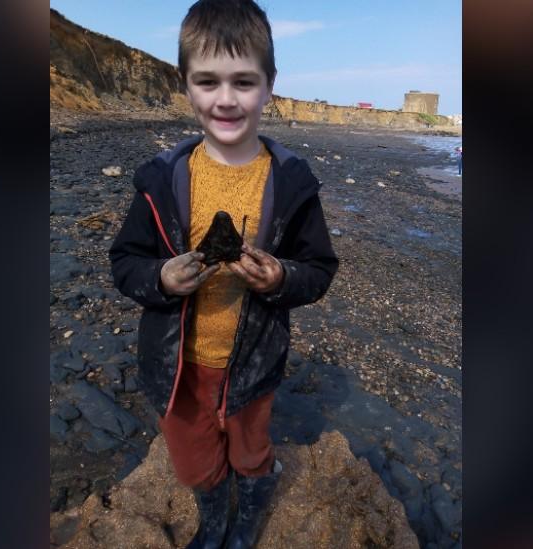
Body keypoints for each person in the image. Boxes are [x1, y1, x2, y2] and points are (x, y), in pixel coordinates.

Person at [108, 1, 338, 547]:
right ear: (186, 84)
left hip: (253, 364)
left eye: (244, 81)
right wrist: (161, 278)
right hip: (178, 365)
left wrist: (280, 277)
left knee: (251, 452)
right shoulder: (160, 181)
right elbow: (125, 262)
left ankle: (252, 506)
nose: (226, 98)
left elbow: (319, 268)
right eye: (207, 81)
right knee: (192, 461)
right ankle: (213, 522)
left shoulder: (293, 183)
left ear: (269, 85)